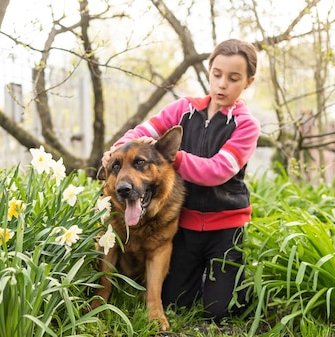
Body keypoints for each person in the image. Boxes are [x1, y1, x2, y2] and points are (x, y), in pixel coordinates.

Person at [101, 38, 260, 321]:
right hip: (185, 226)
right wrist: (116, 150)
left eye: (234, 78)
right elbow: (144, 130)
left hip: (224, 228)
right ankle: (202, 279)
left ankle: (237, 283)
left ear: (248, 82)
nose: (222, 84)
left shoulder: (246, 125)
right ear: (209, 72)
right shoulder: (183, 108)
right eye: (217, 74)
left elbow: (218, 170)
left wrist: (172, 158)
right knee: (177, 303)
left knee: (220, 311)